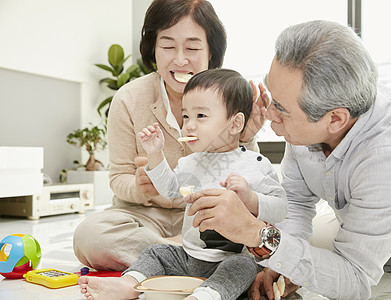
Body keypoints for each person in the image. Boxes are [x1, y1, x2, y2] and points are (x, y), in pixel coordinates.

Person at [185, 20, 391, 300]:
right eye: (271, 96)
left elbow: (354, 279)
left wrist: (257, 234)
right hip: (356, 239)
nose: (268, 112)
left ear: (335, 119)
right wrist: (280, 263)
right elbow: (296, 202)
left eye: (281, 109)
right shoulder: (309, 116)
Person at [73, 0, 265, 272]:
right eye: (167, 46)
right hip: (146, 218)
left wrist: (245, 137)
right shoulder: (128, 98)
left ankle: (164, 258)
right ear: (153, 48)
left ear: (211, 51)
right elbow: (118, 179)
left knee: (268, 230)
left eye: (193, 47)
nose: (180, 59)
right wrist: (141, 188)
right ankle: (184, 254)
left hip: (209, 216)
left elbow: (251, 176)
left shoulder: (229, 96)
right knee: (90, 236)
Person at [78, 68, 287, 300]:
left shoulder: (256, 163)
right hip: (189, 256)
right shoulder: (190, 162)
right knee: (156, 252)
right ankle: (128, 285)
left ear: (236, 124)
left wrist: (251, 199)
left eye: (201, 116)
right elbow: (168, 190)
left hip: (230, 259)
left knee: (243, 267)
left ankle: (205, 296)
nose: (188, 125)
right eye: (186, 116)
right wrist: (155, 154)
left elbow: (281, 207)